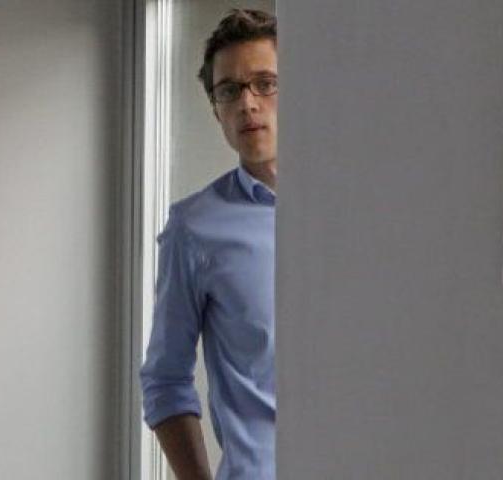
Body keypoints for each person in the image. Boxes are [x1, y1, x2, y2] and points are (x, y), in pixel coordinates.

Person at [139, 8, 278, 480]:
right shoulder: (195, 227)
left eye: (265, 83)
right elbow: (165, 379)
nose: (248, 104)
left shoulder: (357, 211)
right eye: (229, 91)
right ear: (216, 110)